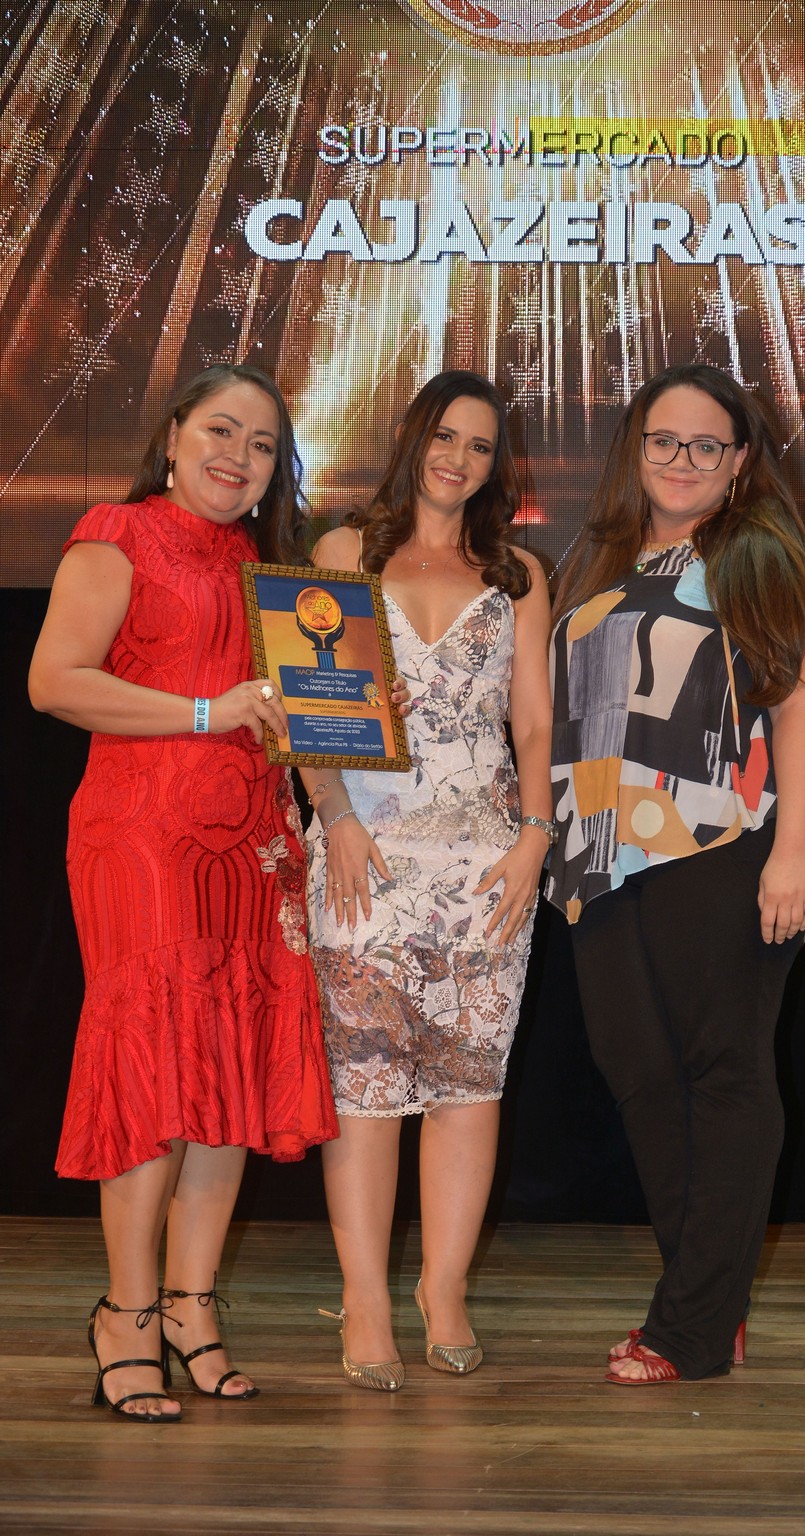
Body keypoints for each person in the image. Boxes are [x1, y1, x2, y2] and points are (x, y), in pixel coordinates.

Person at [28, 364, 340, 1421]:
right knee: (156, 1066)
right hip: (142, 836)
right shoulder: (117, 533)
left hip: (255, 843)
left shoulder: (273, 568)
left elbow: (305, 709)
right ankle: (124, 1314)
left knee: (229, 1072)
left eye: (262, 444)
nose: (237, 455)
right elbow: (55, 681)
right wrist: (208, 712)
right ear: (172, 437)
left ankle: (190, 1307)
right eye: (220, 430)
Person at [545, 363, 805, 1384]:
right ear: (637, 450)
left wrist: (792, 852)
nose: (681, 460)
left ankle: (690, 1329)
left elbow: (797, 710)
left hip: (730, 839)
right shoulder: (598, 560)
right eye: (663, 440)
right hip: (601, 846)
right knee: (636, 1068)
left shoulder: (762, 561)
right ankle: (707, 1299)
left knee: (724, 1070)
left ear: (740, 461)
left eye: (705, 444)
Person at [301, 370, 552, 1391]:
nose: (459, 459)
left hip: (485, 858)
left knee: (467, 1081)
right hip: (364, 850)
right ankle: (364, 1300)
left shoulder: (518, 573)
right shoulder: (343, 553)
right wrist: (335, 818)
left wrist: (534, 836)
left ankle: (442, 1291)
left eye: (480, 446)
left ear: (497, 465)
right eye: (445, 437)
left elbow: (534, 720)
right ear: (414, 439)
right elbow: (310, 701)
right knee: (364, 1084)